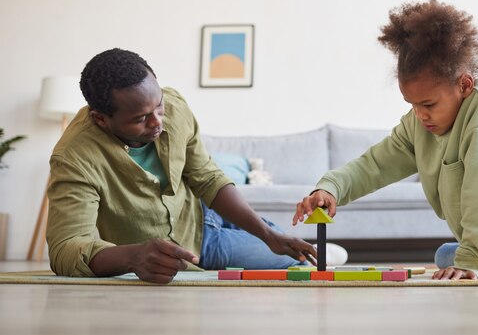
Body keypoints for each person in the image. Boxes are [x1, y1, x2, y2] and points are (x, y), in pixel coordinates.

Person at [293, 0, 478, 280]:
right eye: (412, 104)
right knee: (444, 258)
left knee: (459, 259)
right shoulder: (418, 125)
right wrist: (331, 188)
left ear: (465, 85)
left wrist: (470, 260)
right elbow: (375, 164)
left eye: (428, 104)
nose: (420, 115)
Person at [46, 48, 317, 284]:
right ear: (102, 119)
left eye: (159, 106)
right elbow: (66, 249)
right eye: (140, 118)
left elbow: (207, 178)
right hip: (183, 253)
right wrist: (132, 257)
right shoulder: (74, 157)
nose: (157, 123)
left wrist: (268, 235)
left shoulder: (174, 106)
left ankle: (282, 237)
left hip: (203, 220)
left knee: (291, 254)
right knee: (296, 265)